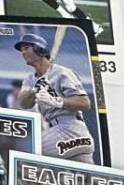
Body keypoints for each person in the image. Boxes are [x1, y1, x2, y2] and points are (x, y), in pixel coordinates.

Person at [14, 32, 96, 161]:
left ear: (39, 48)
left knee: (25, 150)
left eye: (26, 48)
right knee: (80, 176)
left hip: (71, 129)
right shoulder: (30, 79)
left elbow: (85, 103)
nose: (23, 53)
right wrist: (34, 91)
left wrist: (57, 101)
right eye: (22, 50)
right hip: (57, 132)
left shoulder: (62, 72)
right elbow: (23, 103)